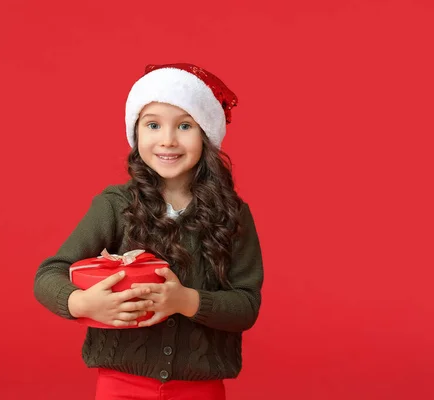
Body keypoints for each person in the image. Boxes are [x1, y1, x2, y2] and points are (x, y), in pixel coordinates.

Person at [33, 63, 264, 400]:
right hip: (120, 385)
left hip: (200, 390)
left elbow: (247, 305)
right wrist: (82, 302)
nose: (167, 139)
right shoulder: (115, 205)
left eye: (184, 125)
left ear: (205, 134)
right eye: (153, 124)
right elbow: (48, 274)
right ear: (136, 132)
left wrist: (187, 301)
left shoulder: (232, 214)